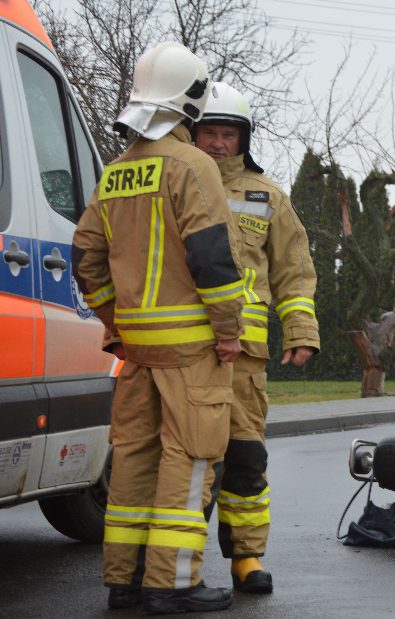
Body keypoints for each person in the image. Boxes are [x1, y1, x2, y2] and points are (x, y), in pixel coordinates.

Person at [72, 42, 244, 613]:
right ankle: (174, 584)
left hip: (137, 350)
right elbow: (213, 261)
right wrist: (227, 329)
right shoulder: (194, 166)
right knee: (191, 460)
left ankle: (124, 579)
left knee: (135, 458)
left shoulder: (117, 170)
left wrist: (115, 322)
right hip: (193, 346)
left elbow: (86, 259)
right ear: (191, 97)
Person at [193, 82, 320, 593]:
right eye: (210, 132)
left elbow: (294, 269)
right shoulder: (177, 183)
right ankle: (179, 565)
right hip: (187, 351)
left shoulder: (267, 196)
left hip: (245, 359)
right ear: (192, 133)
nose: (219, 143)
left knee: (245, 459)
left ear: (243, 138)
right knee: (191, 461)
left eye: (228, 134)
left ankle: (246, 557)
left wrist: (302, 330)